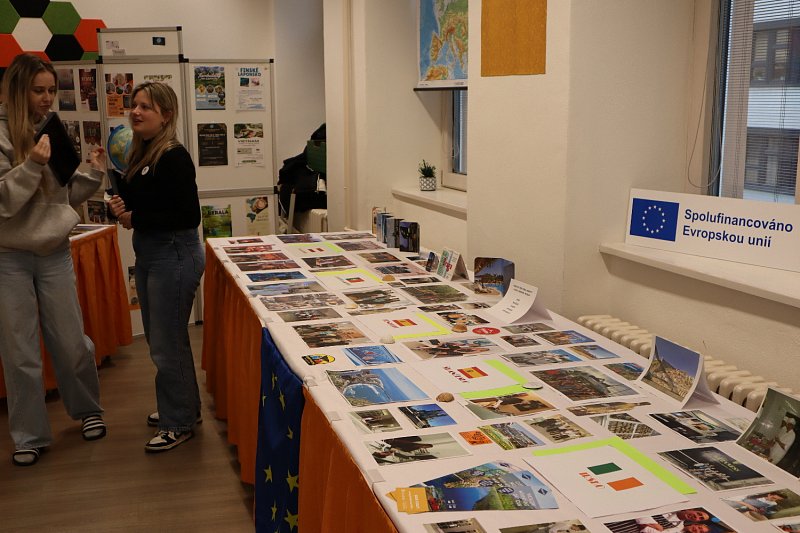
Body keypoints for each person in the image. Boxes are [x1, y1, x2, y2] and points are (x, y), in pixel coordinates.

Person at [0, 53, 107, 466]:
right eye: (38, 90)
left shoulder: (51, 128)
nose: (47, 98)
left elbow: (65, 196)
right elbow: (4, 203)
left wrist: (92, 174)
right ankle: (28, 435)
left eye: (51, 90)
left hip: (54, 252)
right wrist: (31, 166)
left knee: (70, 340)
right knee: (20, 351)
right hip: (9, 256)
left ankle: (88, 410)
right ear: (17, 90)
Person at [107, 81, 204, 452]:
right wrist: (120, 206)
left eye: (146, 106)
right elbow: (141, 203)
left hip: (174, 255)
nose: (136, 111)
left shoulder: (173, 156)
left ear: (166, 115)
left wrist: (136, 217)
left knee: (166, 344)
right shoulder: (144, 153)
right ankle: (184, 408)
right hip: (153, 254)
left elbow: (187, 216)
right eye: (134, 105)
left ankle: (177, 421)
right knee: (165, 340)